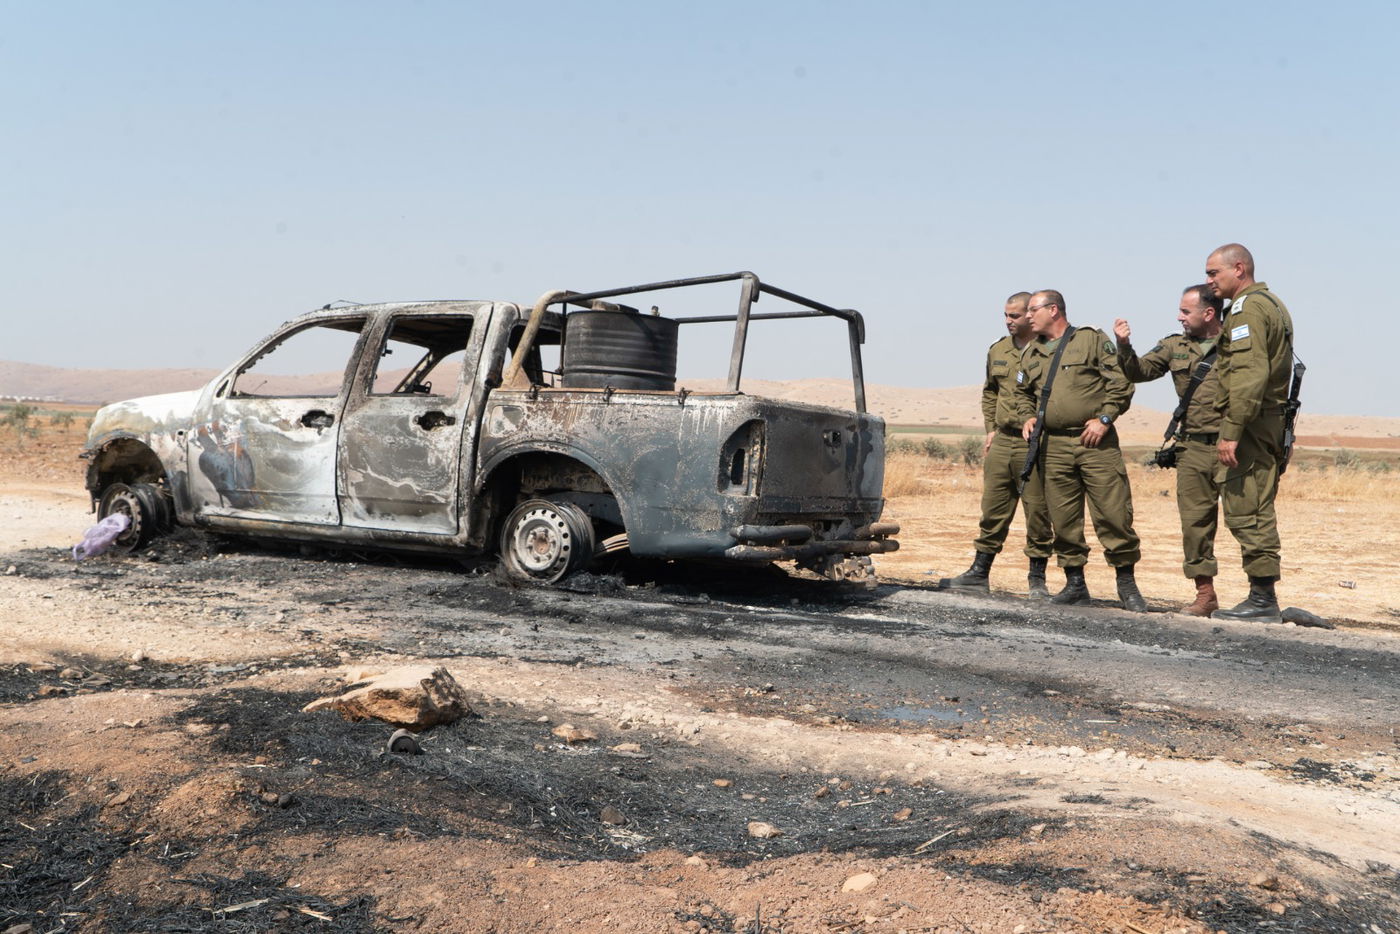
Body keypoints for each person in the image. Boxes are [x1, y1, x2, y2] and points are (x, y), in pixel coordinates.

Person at [1016, 290, 1146, 611]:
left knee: (1113, 513)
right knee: (1063, 517)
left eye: (1033, 310)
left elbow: (1121, 382)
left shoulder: (1089, 340)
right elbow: (1021, 394)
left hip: (1095, 442)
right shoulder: (1030, 354)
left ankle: (1127, 585)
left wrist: (1104, 419)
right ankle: (1075, 584)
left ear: (1054, 309)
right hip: (1053, 445)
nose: (1027, 316)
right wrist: (1027, 416)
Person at [1114, 285, 1226, 615]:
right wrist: (1124, 346)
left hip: (1232, 445)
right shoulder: (1174, 345)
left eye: (1185, 312)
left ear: (1208, 314)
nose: (1179, 317)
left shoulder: (1237, 344)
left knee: (1245, 520)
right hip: (1191, 447)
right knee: (1195, 525)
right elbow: (1139, 371)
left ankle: (1259, 597)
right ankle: (1205, 595)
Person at [1203, 243, 1295, 623]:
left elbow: (1248, 376)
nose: (1210, 282)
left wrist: (1231, 431)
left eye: (1214, 273)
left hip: (1252, 424)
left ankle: (1262, 599)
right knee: (1253, 501)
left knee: (1248, 505)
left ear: (1238, 268)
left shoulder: (1248, 309)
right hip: (1265, 419)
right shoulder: (1269, 303)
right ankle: (1260, 596)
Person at [941, 293, 1054, 597]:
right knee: (992, 509)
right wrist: (990, 428)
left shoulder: (1050, 351)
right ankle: (979, 573)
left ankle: (1037, 579)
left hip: (1035, 443)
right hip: (1003, 440)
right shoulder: (998, 350)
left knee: (1038, 512)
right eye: (1005, 316)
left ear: (1031, 316)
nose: (1008, 322)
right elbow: (990, 393)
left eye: (1014, 316)